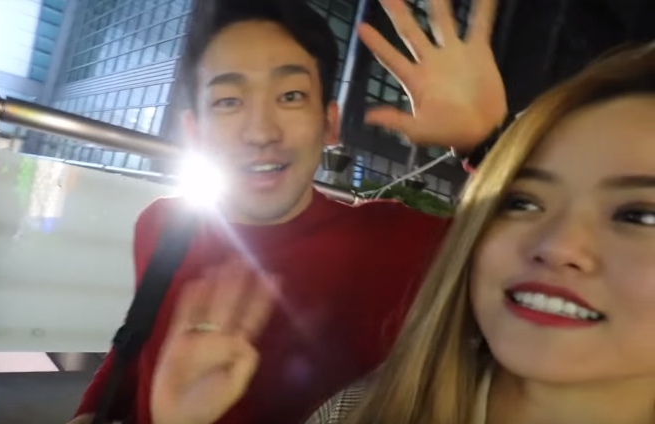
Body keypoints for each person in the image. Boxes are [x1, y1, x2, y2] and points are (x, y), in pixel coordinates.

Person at [148, 43, 655, 424]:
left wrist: (487, 144)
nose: (558, 246)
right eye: (520, 202)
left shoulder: (393, 232)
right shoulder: (359, 411)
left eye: (640, 216)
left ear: (329, 124)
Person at [70, 0, 507, 422]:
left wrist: (486, 143)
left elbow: (531, 249)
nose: (261, 132)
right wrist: (91, 411)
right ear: (195, 131)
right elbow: (137, 350)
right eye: (228, 101)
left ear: (329, 124)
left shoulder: (400, 242)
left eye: (291, 95)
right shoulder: (164, 224)